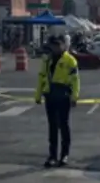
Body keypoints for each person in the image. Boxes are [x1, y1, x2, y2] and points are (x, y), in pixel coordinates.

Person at [34, 35, 80, 168]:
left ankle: (64, 154)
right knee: (52, 127)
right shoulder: (47, 60)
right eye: (53, 46)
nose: (55, 48)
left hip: (64, 95)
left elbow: (75, 80)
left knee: (64, 125)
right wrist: (38, 95)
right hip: (50, 95)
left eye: (57, 45)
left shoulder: (70, 61)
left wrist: (74, 97)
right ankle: (52, 155)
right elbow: (41, 77)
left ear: (63, 46)